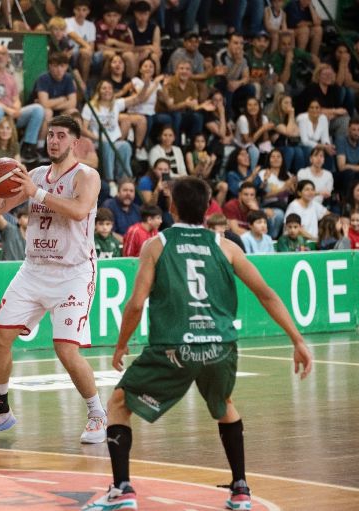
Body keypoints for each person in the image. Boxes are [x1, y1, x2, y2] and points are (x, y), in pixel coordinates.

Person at [82, 176, 313, 511]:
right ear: (207, 209)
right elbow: (266, 294)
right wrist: (298, 340)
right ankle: (241, 489)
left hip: (174, 348)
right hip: (220, 346)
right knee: (224, 405)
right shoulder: (227, 246)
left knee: (118, 403)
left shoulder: (156, 245)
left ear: (172, 207)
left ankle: (121, 490)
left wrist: (121, 345)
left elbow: (136, 304)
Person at [0, 115, 107, 444]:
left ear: (75, 142)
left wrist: (38, 194)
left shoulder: (87, 176)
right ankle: (0, 412)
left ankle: (97, 415)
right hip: (34, 269)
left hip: (73, 272)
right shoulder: (34, 175)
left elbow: (79, 210)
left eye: (61, 136)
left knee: (66, 350)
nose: (54, 141)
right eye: (50, 135)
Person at [0, 45, 45, 162]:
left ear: (8, 58)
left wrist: (17, 107)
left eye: (3, 54)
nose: (0, 57)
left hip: (11, 114)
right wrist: (8, 110)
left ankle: (27, 147)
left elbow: (16, 98)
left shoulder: (10, 77)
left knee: (38, 109)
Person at [95, 4, 137, 78]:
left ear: (119, 16)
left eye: (115, 15)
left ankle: (130, 82)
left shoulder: (123, 26)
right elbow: (100, 47)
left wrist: (115, 42)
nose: (112, 19)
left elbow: (131, 47)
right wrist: (120, 50)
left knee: (130, 55)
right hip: (102, 55)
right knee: (111, 54)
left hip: (119, 52)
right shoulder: (99, 26)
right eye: (108, 15)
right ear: (104, 16)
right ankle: (105, 81)